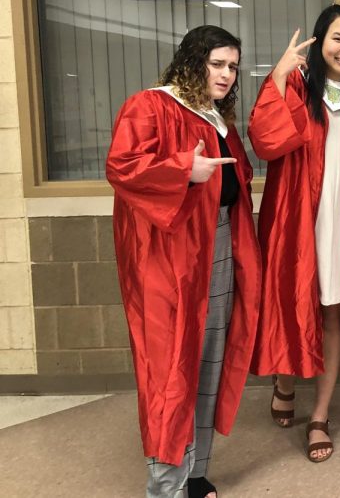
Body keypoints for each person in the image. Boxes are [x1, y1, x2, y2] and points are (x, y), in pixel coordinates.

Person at [106, 25, 261, 498]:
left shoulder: (217, 119)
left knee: (209, 361)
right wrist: (181, 170)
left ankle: (195, 476)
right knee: (171, 370)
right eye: (217, 64)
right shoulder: (150, 105)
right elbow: (122, 166)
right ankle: (167, 487)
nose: (227, 74)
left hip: (217, 249)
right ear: (192, 62)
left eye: (233, 66)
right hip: (169, 261)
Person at [249, 5, 340, 463]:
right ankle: (284, 381)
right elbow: (266, 141)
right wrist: (279, 78)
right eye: (338, 39)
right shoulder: (300, 89)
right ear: (321, 42)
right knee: (289, 305)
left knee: (330, 317)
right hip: (296, 221)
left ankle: (320, 415)